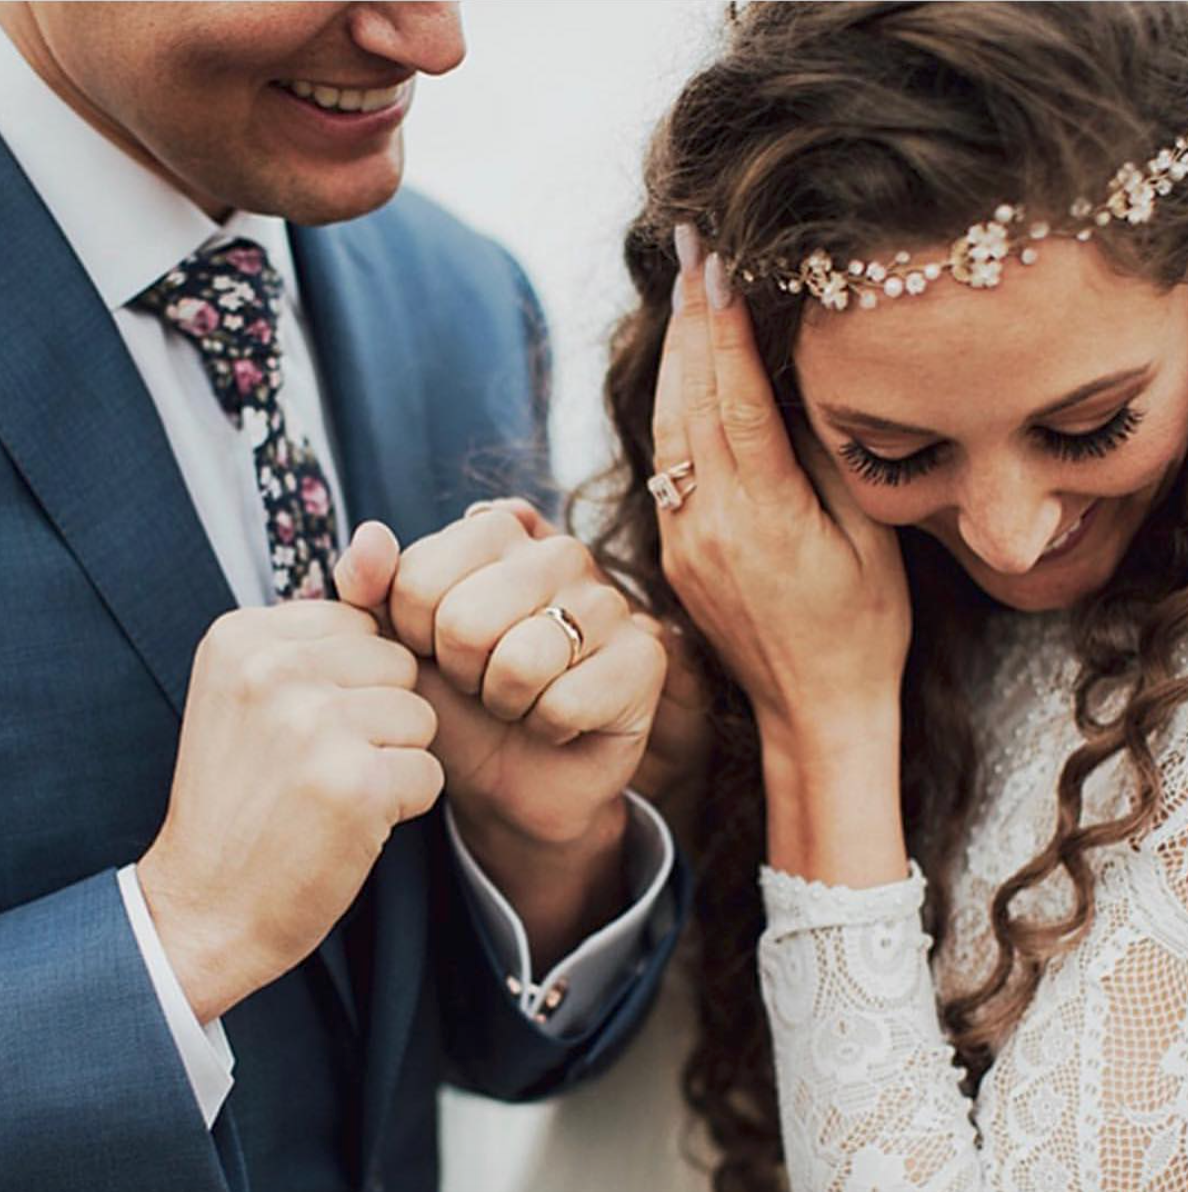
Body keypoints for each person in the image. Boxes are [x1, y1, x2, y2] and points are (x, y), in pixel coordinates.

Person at [0, 4, 688, 1191]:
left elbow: (452, 1049)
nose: (433, 41)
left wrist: (545, 848)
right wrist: (172, 943)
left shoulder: (464, 303)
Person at [577, 1, 1188, 1189]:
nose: (1012, 539)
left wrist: (825, 723)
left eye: (1089, 424)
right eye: (897, 454)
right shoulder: (808, 591)